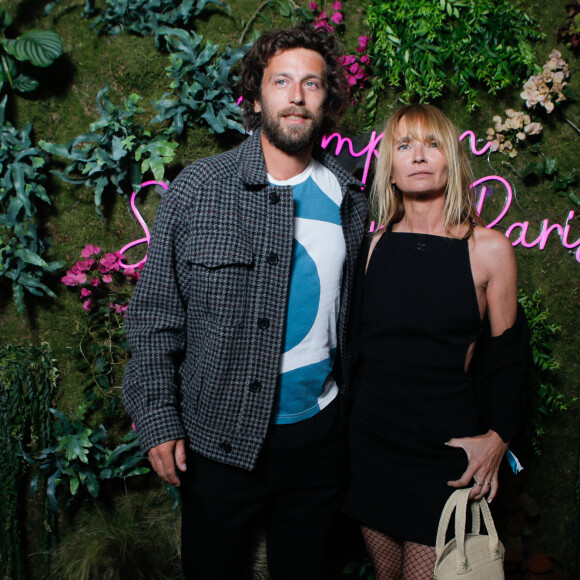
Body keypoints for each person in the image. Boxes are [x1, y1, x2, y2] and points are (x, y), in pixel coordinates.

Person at [122, 27, 368, 580]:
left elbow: (353, 325)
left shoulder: (349, 200)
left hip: (319, 440)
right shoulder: (198, 189)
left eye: (311, 83)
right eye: (281, 82)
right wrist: (158, 418)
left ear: (327, 101)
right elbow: (155, 317)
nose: (297, 96)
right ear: (256, 98)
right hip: (217, 437)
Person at [342, 103, 528, 579]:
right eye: (405, 146)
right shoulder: (372, 247)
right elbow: (357, 351)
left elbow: (508, 358)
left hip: (445, 452)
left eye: (432, 145)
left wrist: (498, 437)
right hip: (372, 444)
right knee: (386, 575)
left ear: (451, 160)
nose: (419, 156)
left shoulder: (488, 249)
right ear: (391, 167)